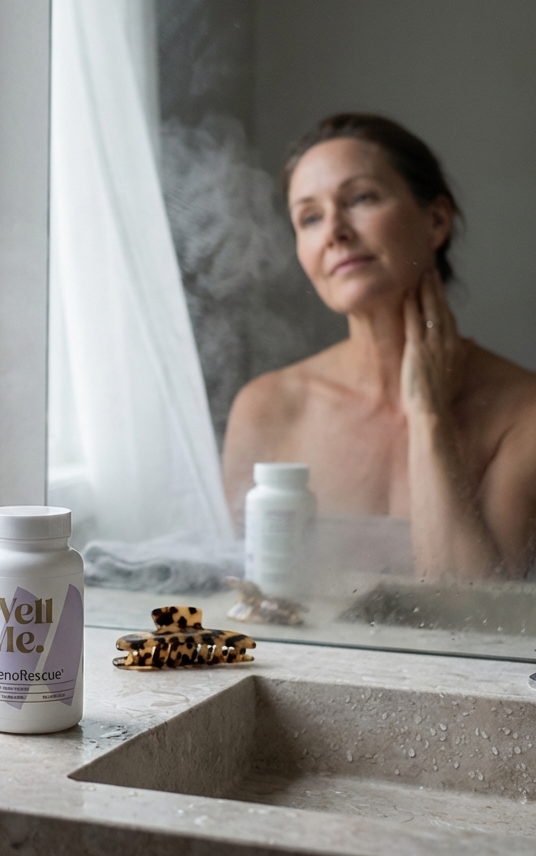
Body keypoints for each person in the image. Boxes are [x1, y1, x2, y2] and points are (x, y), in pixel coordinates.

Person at [222, 114, 536, 579]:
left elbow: (475, 613)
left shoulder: (523, 413)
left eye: (361, 198)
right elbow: (252, 601)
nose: (335, 231)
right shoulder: (267, 408)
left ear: (436, 221)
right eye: (310, 218)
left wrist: (429, 418)